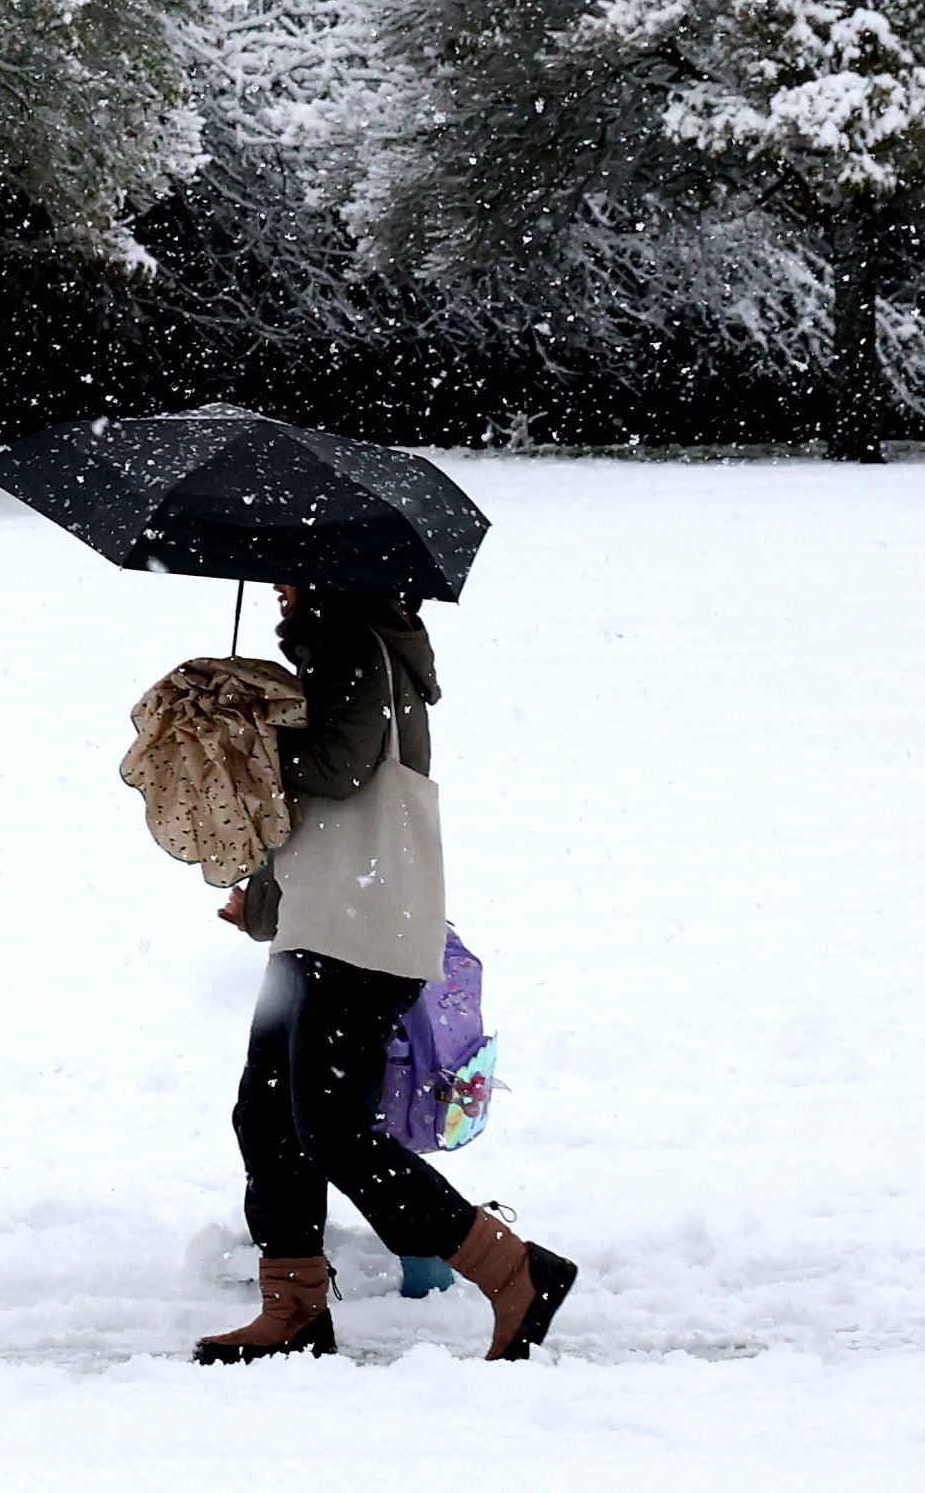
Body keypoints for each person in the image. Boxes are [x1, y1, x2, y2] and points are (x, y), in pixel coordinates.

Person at [191, 585, 580, 1366]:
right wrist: (266, 901)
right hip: (330, 923)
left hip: (356, 929)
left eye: (290, 570)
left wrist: (242, 739)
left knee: (330, 1129)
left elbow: (335, 767)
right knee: (268, 1119)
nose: (278, 585)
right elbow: (320, 801)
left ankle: (514, 1270)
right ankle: (293, 1307)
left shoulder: (348, 641)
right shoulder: (337, 642)